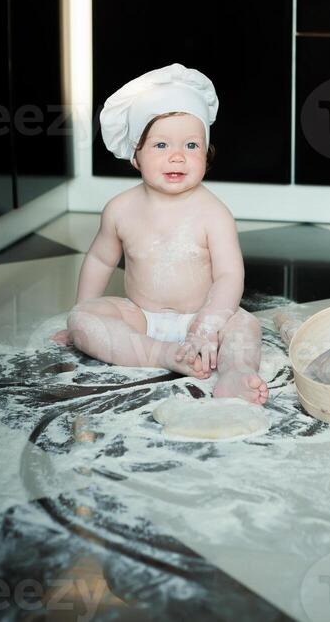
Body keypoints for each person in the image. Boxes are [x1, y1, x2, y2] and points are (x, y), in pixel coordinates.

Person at [51, 63, 268, 405]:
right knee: (84, 320)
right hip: (141, 317)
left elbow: (229, 276)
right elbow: (100, 259)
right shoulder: (120, 209)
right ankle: (165, 355)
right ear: (135, 156)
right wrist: (84, 309)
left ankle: (234, 373)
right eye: (161, 145)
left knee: (244, 327)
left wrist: (207, 327)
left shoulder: (214, 213)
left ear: (207, 155)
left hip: (202, 314)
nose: (178, 156)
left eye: (192, 146)